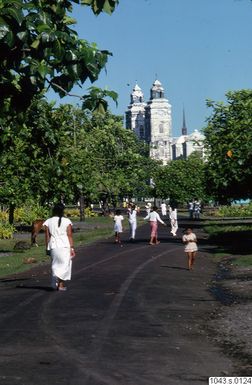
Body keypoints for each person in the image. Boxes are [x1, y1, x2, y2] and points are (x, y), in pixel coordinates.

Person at [43, 203, 75, 291]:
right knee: (65, 265)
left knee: (55, 264)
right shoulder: (67, 221)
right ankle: (60, 285)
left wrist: (47, 248)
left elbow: (47, 236)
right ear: (62, 211)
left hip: (53, 245)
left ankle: (55, 281)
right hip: (65, 245)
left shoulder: (48, 221)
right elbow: (69, 235)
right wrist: (72, 248)